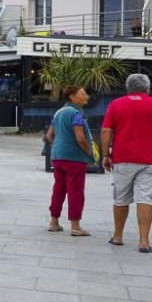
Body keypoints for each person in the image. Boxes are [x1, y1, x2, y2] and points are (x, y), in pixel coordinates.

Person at [101, 74, 152, 252]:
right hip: (149, 160)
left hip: (122, 158)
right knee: (145, 199)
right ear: (147, 89)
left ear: (128, 88)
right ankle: (144, 241)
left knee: (120, 199)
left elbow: (105, 130)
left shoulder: (116, 104)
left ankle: (118, 236)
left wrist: (106, 154)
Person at [44, 86, 97, 236]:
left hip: (58, 156)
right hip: (74, 158)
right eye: (83, 93)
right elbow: (80, 138)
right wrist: (89, 152)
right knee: (76, 191)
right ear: (72, 97)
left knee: (58, 189)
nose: (86, 96)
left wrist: (59, 145)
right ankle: (75, 226)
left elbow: (49, 136)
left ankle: (54, 222)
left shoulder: (58, 112)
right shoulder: (76, 114)